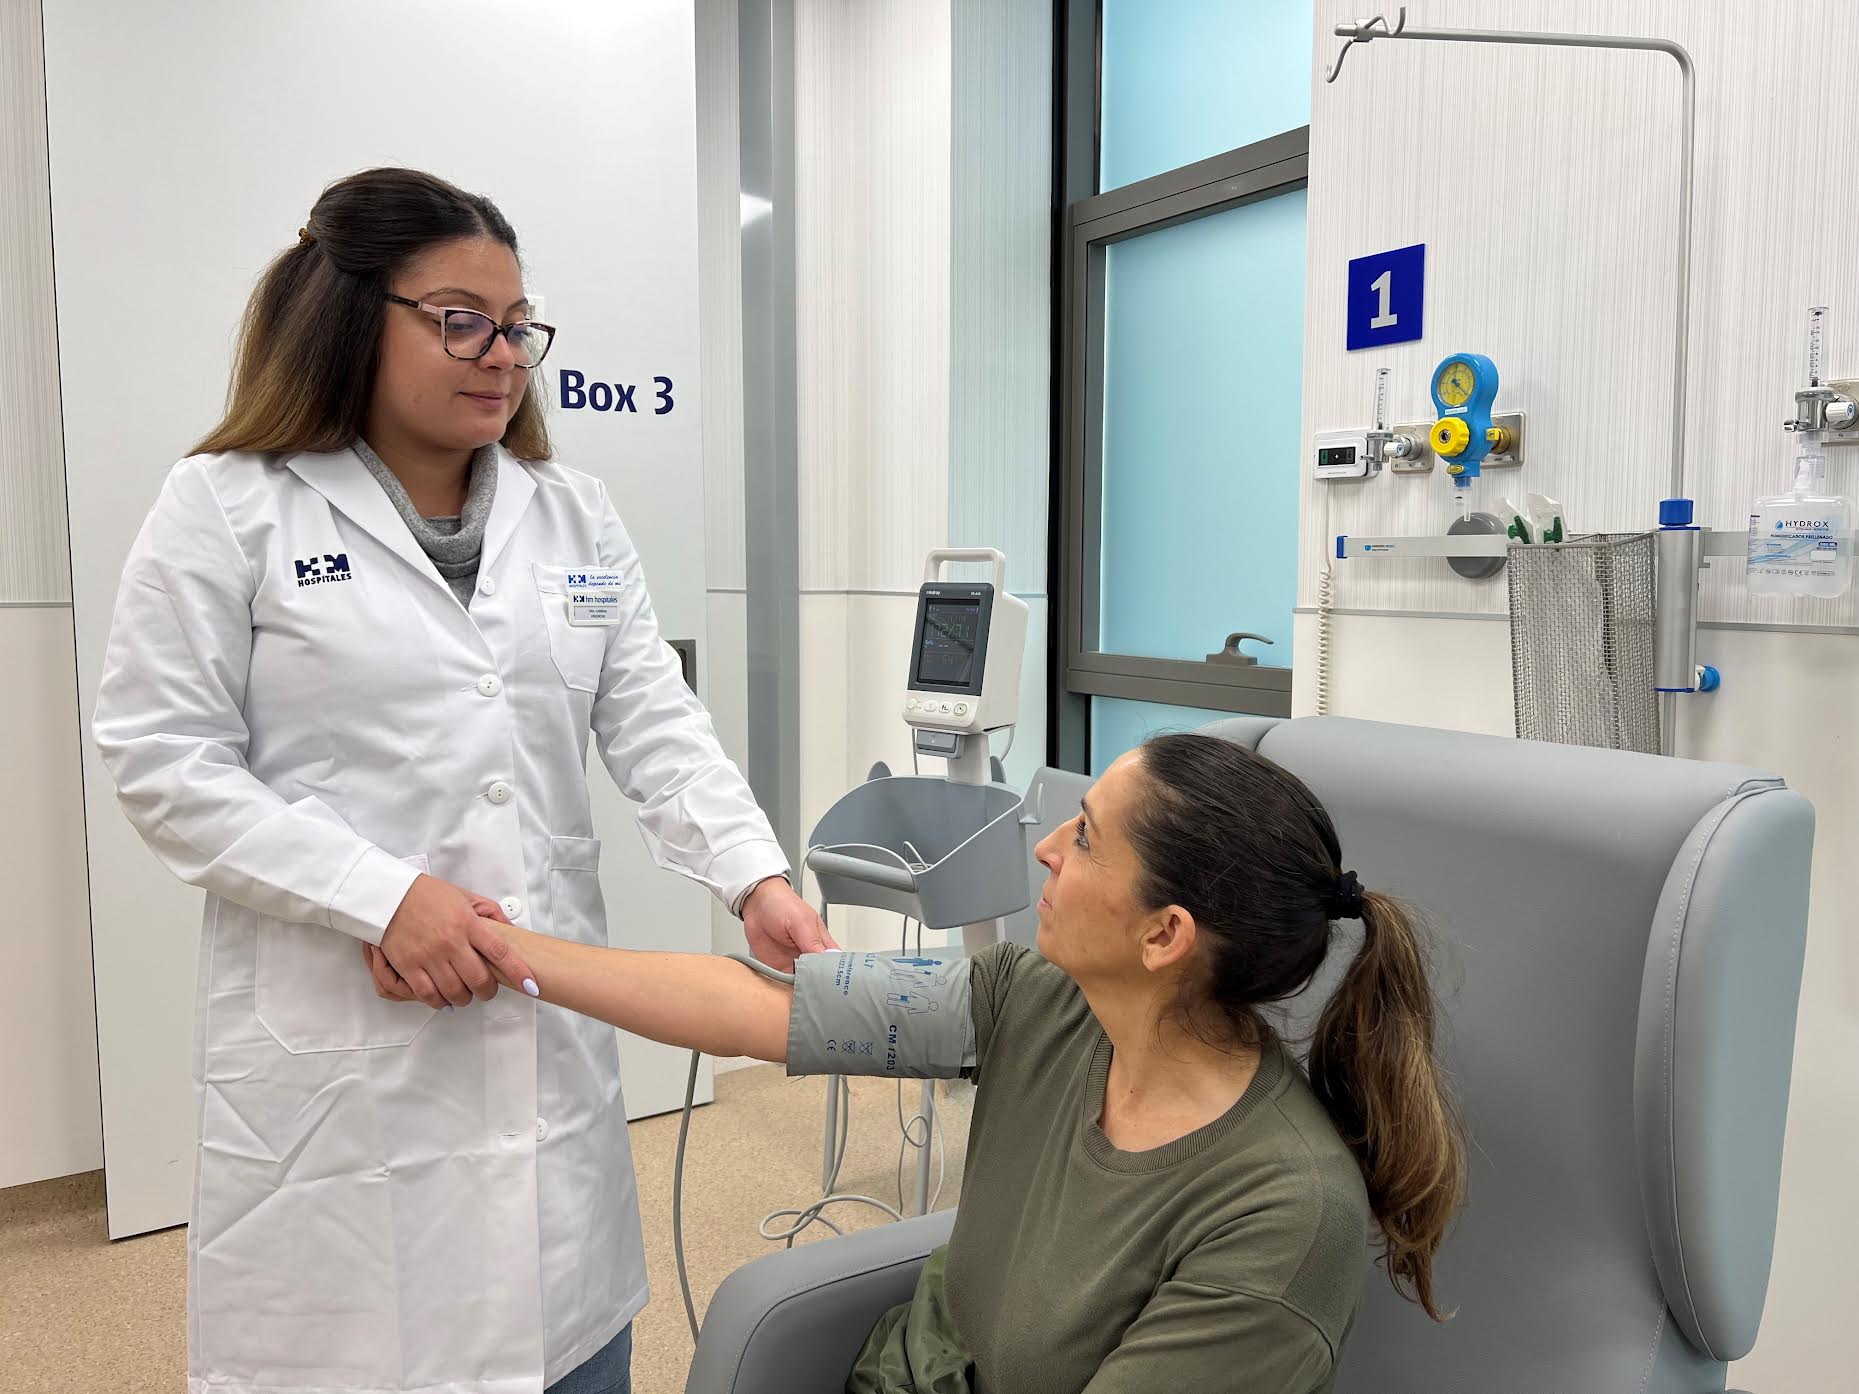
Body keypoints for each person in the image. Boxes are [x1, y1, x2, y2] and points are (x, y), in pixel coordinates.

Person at [91, 166, 833, 1394]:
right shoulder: (229, 505)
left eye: (518, 326)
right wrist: (380, 895)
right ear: (349, 317)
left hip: (536, 1039)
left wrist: (750, 874)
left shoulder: (573, 514)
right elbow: (162, 758)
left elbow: (651, 715)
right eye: (461, 321)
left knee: (562, 1341)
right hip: (339, 1052)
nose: (502, 355)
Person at [461, 733, 1468, 1394]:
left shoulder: (1279, 1213)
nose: (1045, 848)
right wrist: (497, 947)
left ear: (1163, 934)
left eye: (1085, 839)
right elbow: (752, 1008)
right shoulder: (1035, 1001)